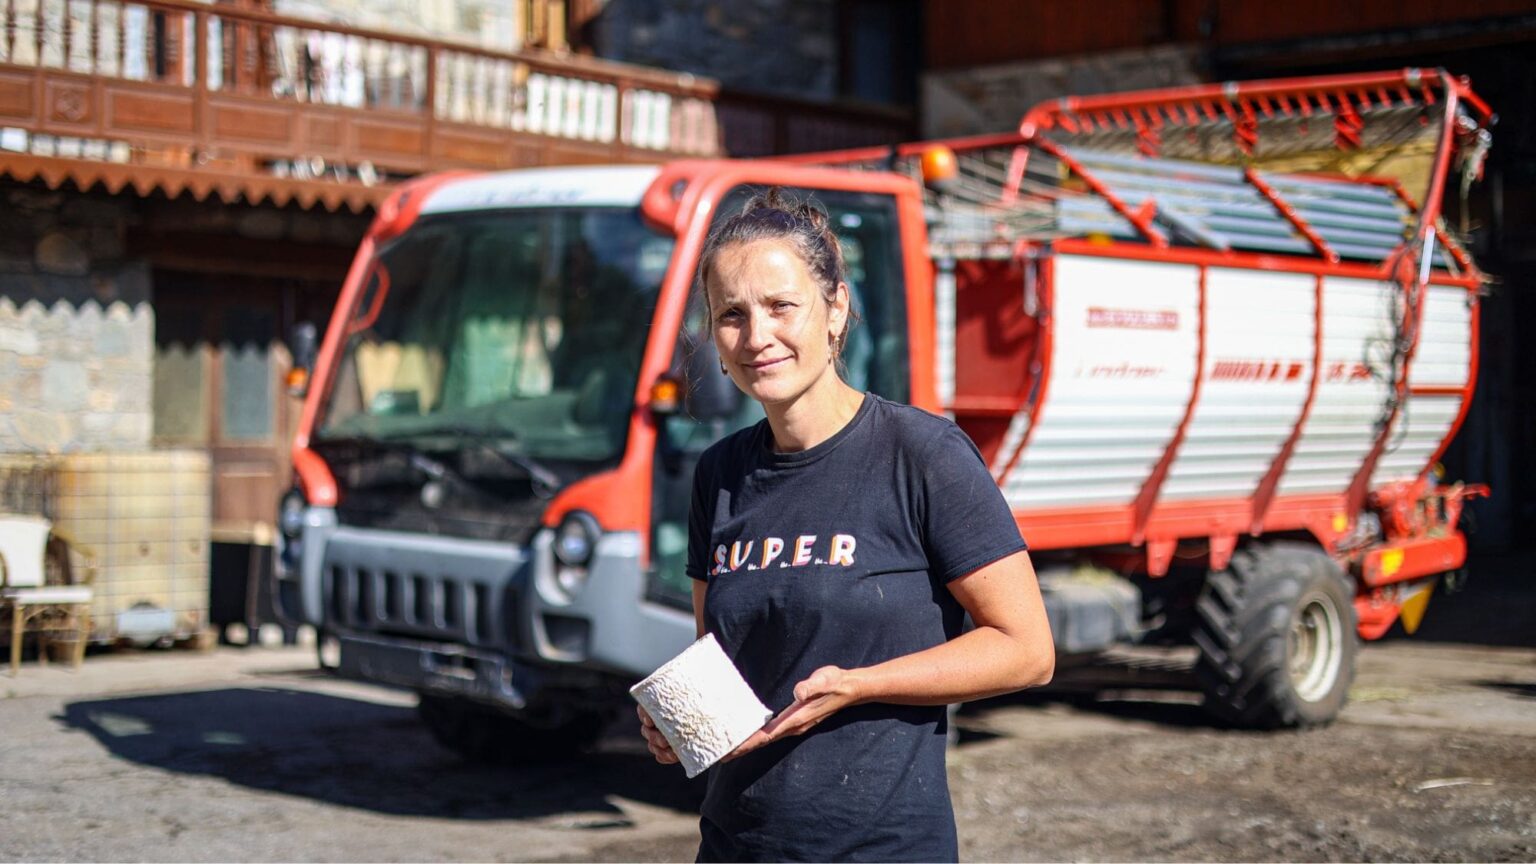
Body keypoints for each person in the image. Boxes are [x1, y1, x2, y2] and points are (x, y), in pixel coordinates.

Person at [637, 188, 1055, 862]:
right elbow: (719, 660)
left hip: (880, 848)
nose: (757, 336)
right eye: (732, 315)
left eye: (781, 306)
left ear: (835, 310)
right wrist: (680, 720)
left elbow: (1028, 650)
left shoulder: (922, 455)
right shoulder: (720, 472)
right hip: (737, 846)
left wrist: (860, 685)